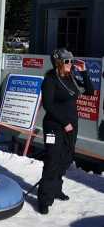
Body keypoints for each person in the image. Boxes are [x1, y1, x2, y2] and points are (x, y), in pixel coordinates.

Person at [37, 48, 93, 215]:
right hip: (55, 126)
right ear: (59, 62)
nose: (71, 64)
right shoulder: (50, 80)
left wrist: (84, 72)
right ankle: (44, 198)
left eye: (72, 61)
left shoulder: (71, 78)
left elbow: (89, 91)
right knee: (53, 160)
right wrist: (64, 122)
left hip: (71, 125)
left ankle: (55, 189)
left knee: (66, 158)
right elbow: (48, 105)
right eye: (68, 61)